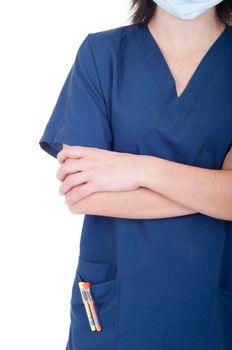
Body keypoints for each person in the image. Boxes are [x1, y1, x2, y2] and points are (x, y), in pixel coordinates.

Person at [38, 1, 232, 349]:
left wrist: (139, 168)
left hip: (210, 307)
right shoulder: (101, 55)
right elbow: (83, 192)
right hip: (117, 313)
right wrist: (212, 187)